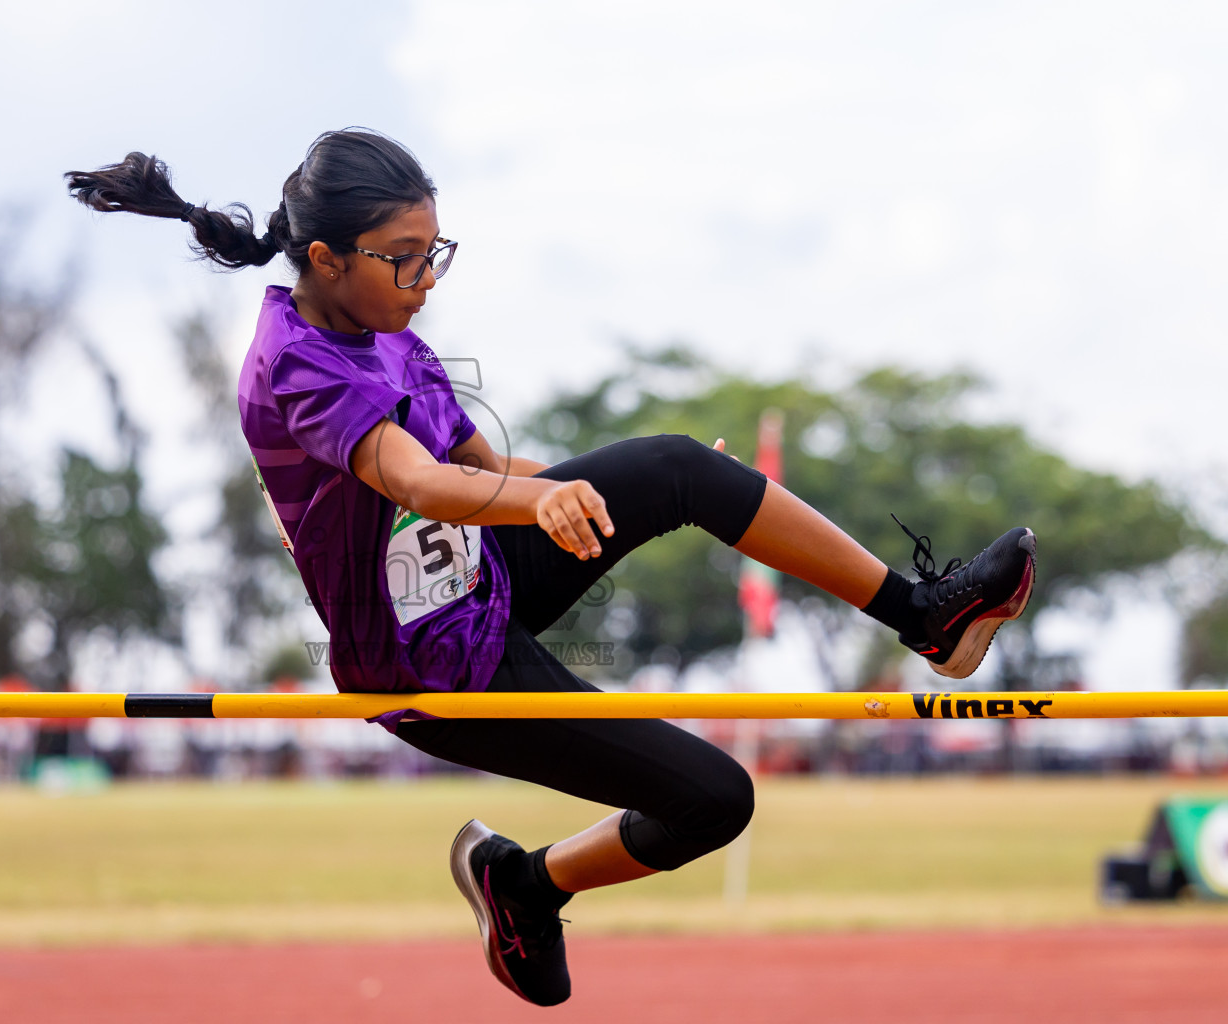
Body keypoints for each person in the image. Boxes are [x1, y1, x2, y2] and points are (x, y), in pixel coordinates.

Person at [67, 130, 1037, 1007]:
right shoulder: (296, 360)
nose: (426, 280)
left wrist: (622, 487)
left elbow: (492, 474)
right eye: (405, 260)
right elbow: (415, 476)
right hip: (429, 666)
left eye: (433, 255)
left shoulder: (390, 337)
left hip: (482, 586)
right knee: (715, 799)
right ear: (325, 259)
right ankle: (525, 884)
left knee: (674, 466)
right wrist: (539, 502)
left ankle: (930, 618)